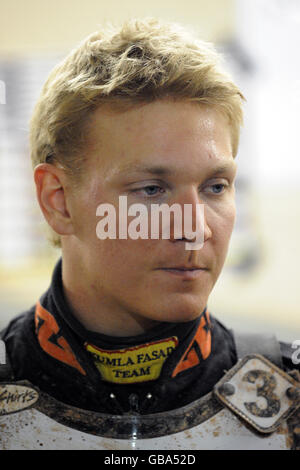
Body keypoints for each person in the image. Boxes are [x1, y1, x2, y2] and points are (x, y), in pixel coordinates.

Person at [0, 18, 299, 449]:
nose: (194, 228)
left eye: (215, 187)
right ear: (59, 201)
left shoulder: (289, 397)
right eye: (152, 190)